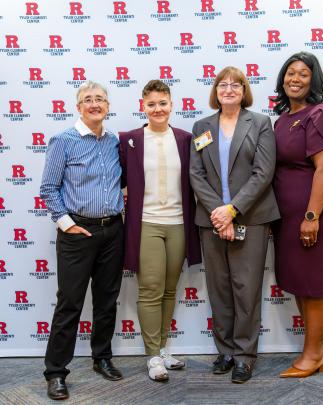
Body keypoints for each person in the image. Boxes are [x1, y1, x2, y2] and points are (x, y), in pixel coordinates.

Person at [190, 67, 280, 383]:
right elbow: (196, 174)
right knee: (219, 288)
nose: (228, 89)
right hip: (211, 220)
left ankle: (244, 356)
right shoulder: (202, 126)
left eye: (235, 85)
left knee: (246, 289)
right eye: (223, 84)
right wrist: (219, 213)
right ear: (215, 90)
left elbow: (263, 172)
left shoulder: (260, 124)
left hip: (252, 219)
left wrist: (233, 210)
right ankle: (225, 351)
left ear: (244, 90)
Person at [271, 52, 323, 378]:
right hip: (290, 215)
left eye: (303, 74)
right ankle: (320, 343)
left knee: (316, 282)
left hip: (321, 211)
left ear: (314, 81)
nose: (295, 79)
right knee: (299, 280)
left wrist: (311, 215)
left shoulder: (321, 115)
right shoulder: (281, 119)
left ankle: (312, 356)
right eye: (290, 73)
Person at [40, 81, 124, 400]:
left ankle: (101, 358)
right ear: (78, 107)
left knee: (106, 300)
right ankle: (56, 372)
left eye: (100, 99)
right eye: (87, 99)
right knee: (70, 303)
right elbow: (48, 188)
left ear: (107, 106)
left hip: (112, 230)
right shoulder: (63, 141)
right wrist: (66, 224)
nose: (94, 104)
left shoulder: (113, 141)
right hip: (77, 233)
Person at [119, 80, 201, 382]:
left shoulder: (185, 138)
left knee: (168, 290)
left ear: (171, 105)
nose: (157, 109)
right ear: (143, 105)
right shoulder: (129, 140)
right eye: (151, 104)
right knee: (150, 289)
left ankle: (163, 347)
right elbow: (114, 179)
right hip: (147, 223)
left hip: (178, 223)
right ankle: (152, 355)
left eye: (163, 103)